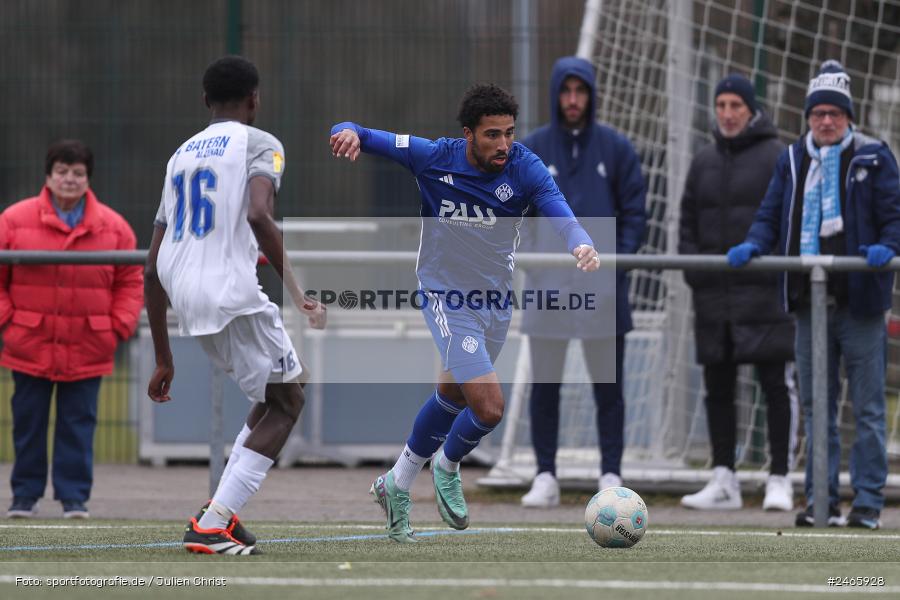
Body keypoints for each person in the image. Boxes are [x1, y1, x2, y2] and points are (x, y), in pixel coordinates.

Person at [330, 83, 600, 542]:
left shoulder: (524, 166)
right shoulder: (435, 157)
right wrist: (348, 133)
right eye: (492, 134)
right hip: (446, 294)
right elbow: (358, 130)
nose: (503, 144)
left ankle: (395, 484)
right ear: (468, 134)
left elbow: (557, 206)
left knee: (452, 394)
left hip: (495, 301)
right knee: (489, 407)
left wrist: (580, 240)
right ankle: (449, 464)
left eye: (509, 133)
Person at [145, 55, 326, 555]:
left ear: (205, 101)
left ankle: (217, 511)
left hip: (185, 294)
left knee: (282, 390)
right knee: (289, 402)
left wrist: (163, 355)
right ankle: (213, 523)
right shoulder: (259, 142)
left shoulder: (178, 156)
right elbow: (259, 214)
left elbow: (150, 264)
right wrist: (299, 291)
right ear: (254, 100)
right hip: (231, 294)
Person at [728, 61, 900, 529]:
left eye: (835, 113)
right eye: (818, 113)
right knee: (815, 408)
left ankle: (866, 503)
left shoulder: (875, 156)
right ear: (807, 116)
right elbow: (770, 215)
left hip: (861, 306)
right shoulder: (791, 160)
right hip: (808, 306)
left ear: (849, 116)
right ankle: (819, 502)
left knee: (866, 410)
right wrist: (755, 244)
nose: (826, 121)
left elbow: (895, 217)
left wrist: (889, 246)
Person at [517, 56, 647, 507]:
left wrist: (615, 266)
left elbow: (635, 216)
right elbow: (518, 218)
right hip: (548, 293)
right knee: (545, 388)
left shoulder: (616, 148)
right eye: (566, 91)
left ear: (591, 95)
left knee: (608, 389)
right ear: (555, 94)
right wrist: (535, 263)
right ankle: (545, 475)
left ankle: (611, 472)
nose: (573, 100)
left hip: (604, 295)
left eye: (581, 91)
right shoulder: (531, 149)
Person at [0, 140, 143, 519]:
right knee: (27, 423)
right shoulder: (13, 220)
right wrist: (8, 321)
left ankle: (74, 498)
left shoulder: (114, 227)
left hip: (89, 343)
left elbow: (131, 280)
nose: (69, 179)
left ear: (88, 179)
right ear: (48, 176)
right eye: (62, 171)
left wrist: (118, 326)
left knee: (79, 425)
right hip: (29, 342)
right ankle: (24, 497)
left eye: (77, 173)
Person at [678, 74, 798, 512]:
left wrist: (771, 275)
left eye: (735, 105)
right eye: (721, 104)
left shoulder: (776, 156)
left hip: (765, 297)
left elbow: (788, 222)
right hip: (714, 298)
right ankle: (724, 478)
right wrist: (699, 274)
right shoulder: (703, 160)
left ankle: (780, 478)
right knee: (718, 388)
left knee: (775, 386)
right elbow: (686, 224)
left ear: (751, 109)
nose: (727, 113)